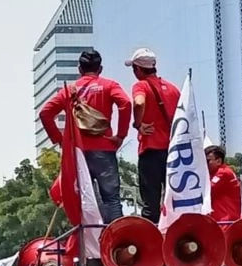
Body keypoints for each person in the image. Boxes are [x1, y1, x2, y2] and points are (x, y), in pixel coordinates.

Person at [39, 49, 132, 222]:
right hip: (104, 149)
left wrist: (60, 140)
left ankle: (86, 241)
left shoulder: (69, 91)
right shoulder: (109, 85)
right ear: (100, 68)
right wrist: (120, 135)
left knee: (82, 200)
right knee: (111, 199)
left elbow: (45, 113)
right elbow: (125, 103)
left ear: (79, 69)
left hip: (78, 154)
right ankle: (119, 241)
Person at [127, 48, 181, 223]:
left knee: (150, 199)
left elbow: (139, 101)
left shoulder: (141, 86)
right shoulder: (173, 89)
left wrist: (138, 123)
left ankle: (154, 237)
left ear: (138, 69)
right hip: (173, 151)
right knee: (174, 197)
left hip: (151, 149)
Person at [205, 145, 241, 223]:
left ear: (218, 161)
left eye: (207, 161)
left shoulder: (223, 172)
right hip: (221, 221)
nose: (205, 164)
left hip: (225, 221)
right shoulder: (216, 173)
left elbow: (207, 191)